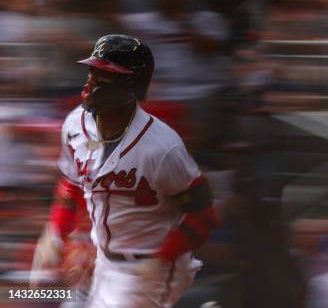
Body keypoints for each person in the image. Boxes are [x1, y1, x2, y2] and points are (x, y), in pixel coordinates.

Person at [30, 34, 219, 307]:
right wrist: (55, 231)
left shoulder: (162, 148)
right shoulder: (75, 124)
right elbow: (71, 183)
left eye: (104, 75)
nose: (91, 81)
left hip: (151, 267)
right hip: (104, 261)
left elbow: (203, 216)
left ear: (130, 86)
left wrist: (161, 259)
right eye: (92, 71)